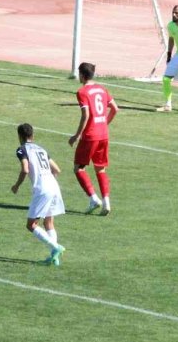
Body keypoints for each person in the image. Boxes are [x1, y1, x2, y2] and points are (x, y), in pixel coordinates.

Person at [11, 123, 66, 266]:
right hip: (54, 186)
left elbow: (25, 169)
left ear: (20, 136)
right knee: (48, 222)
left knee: (31, 225)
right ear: (32, 135)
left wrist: (16, 186)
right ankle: (54, 258)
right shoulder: (41, 149)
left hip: (43, 189)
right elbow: (57, 170)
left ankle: (55, 247)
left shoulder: (22, 149)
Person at [68, 62, 118, 216]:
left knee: (79, 168)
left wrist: (76, 135)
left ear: (82, 75)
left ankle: (93, 199)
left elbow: (86, 115)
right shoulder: (102, 89)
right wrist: (104, 123)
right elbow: (115, 109)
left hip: (90, 136)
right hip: (103, 134)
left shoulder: (82, 92)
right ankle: (106, 202)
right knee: (100, 168)